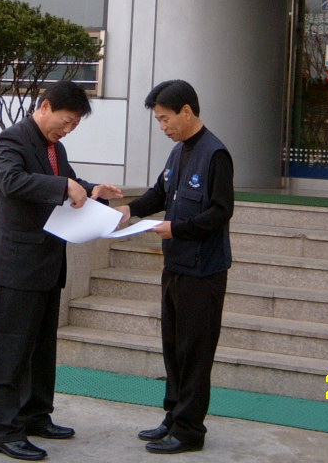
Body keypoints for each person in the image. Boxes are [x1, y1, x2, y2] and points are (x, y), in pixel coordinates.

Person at [0, 81, 123, 461]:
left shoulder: (55, 148)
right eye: (67, 120)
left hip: (47, 262)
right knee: (10, 348)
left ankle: (35, 415)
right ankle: (4, 429)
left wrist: (93, 190)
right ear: (45, 107)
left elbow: (71, 184)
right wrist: (64, 186)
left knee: (41, 347)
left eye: (75, 124)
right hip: (17, 264)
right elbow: (10, 181)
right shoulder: (12, 140)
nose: (68, 129)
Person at [114, 80, 233, 455]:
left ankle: (190, 430)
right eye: (158, 121)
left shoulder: (215, 154)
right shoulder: (178, 152)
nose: (162, 127)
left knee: (195, 352)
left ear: (187, 111)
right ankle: (173, 417)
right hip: (176, 266)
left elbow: (221, 211)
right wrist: (130, 210)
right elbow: (160, 194)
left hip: (204, 271)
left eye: (165, 119)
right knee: (174, 347)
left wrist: (177, 228)